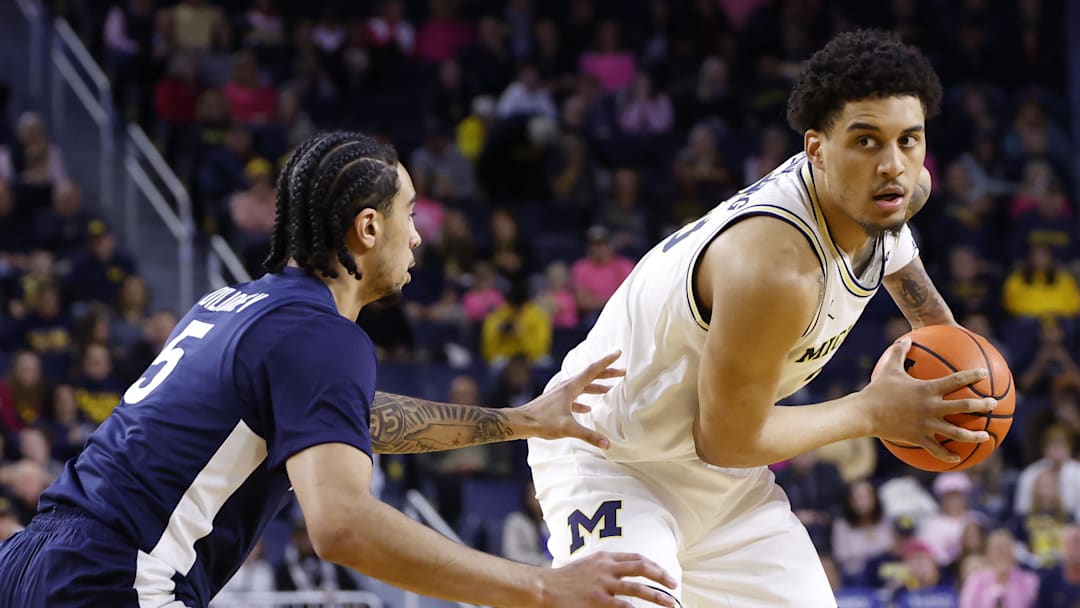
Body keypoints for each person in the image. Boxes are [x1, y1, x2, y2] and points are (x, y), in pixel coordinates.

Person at [0, 132, 677, 608]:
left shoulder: (237, 307)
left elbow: (353, 420)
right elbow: (342, 525)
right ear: (367, 228)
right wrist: (539, 587)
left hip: (33, 559)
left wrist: (521, 420)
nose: (419, 234)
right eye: (408, 213)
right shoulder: (323, 336)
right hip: (118, 579)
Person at [528, 29, 998, 607]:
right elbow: (727, 438)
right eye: (867, 141)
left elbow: (910, 281)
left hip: (722, 481)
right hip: (613, 458)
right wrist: (876, 410)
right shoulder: (775, 269)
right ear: (817, 149)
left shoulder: (892, 194)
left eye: (909, 140)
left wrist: (955, 387)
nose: (892, 166)